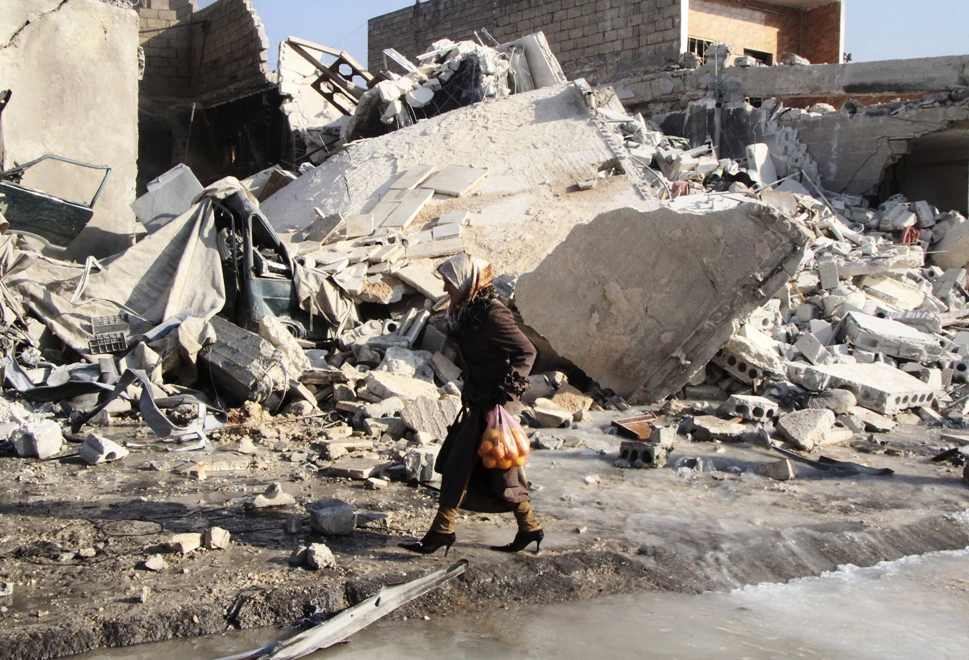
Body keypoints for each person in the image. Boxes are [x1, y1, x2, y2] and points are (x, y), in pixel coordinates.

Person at [399, 254, 543, 556]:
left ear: (468, 281)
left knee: (473, 467)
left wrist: (505, 397)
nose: (445, 286)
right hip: (478, 402)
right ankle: (529, 528)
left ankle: (442, 532)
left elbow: (526, 352)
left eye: (450, 281)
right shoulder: (464, 311)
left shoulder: (493, 313)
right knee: (489, 469)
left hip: (495, 405)